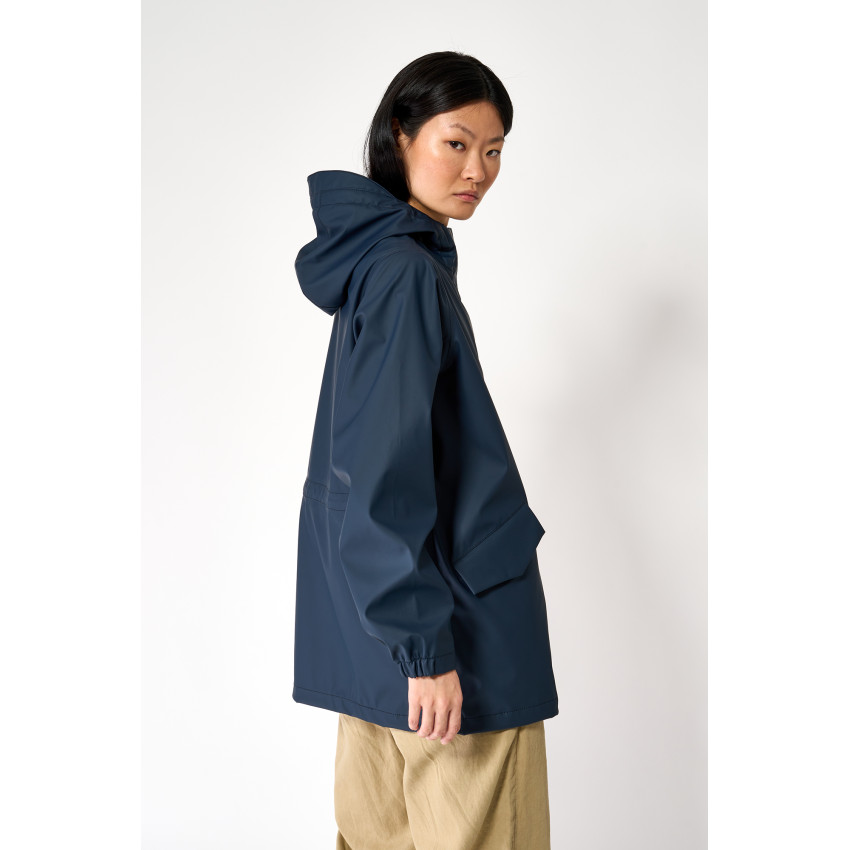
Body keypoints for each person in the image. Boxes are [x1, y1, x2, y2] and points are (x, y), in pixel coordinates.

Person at [293, 51, 559, 849]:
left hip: (376, 639)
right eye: (457, 143)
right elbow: (383, 473)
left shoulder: (378, 266)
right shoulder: (405, 272)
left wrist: (405, 643)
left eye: (495, 150)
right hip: (451, 642)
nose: (478, 170)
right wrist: (425, 649)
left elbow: (361, 472)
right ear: (400, 136)